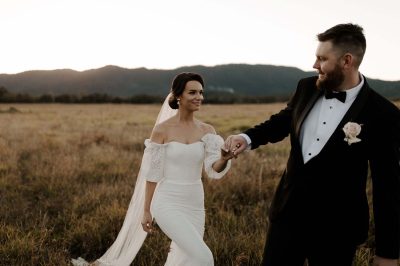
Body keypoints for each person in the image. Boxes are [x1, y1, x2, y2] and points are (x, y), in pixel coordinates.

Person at [225, 23, 400, 266]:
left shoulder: (384, 114)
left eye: (322, 58)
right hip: (286, 218)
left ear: (346, 61)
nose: (314, 65)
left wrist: (388, 252)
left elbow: (387, 188)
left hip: (338, 230)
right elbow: (284, 121)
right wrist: (246, 138)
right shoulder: (306, 87)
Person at [72, 72, 233, 266]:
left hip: (195, 203)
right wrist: (146, 210)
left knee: (186, 257)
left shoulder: (208, 131)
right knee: (204, 258)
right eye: (192, 92)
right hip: (167, 203)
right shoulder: (162, 130)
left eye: (201, 92)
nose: (199, 97)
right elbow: (153, 174)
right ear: (178, 96)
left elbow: (213, 168)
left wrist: (223, 158)